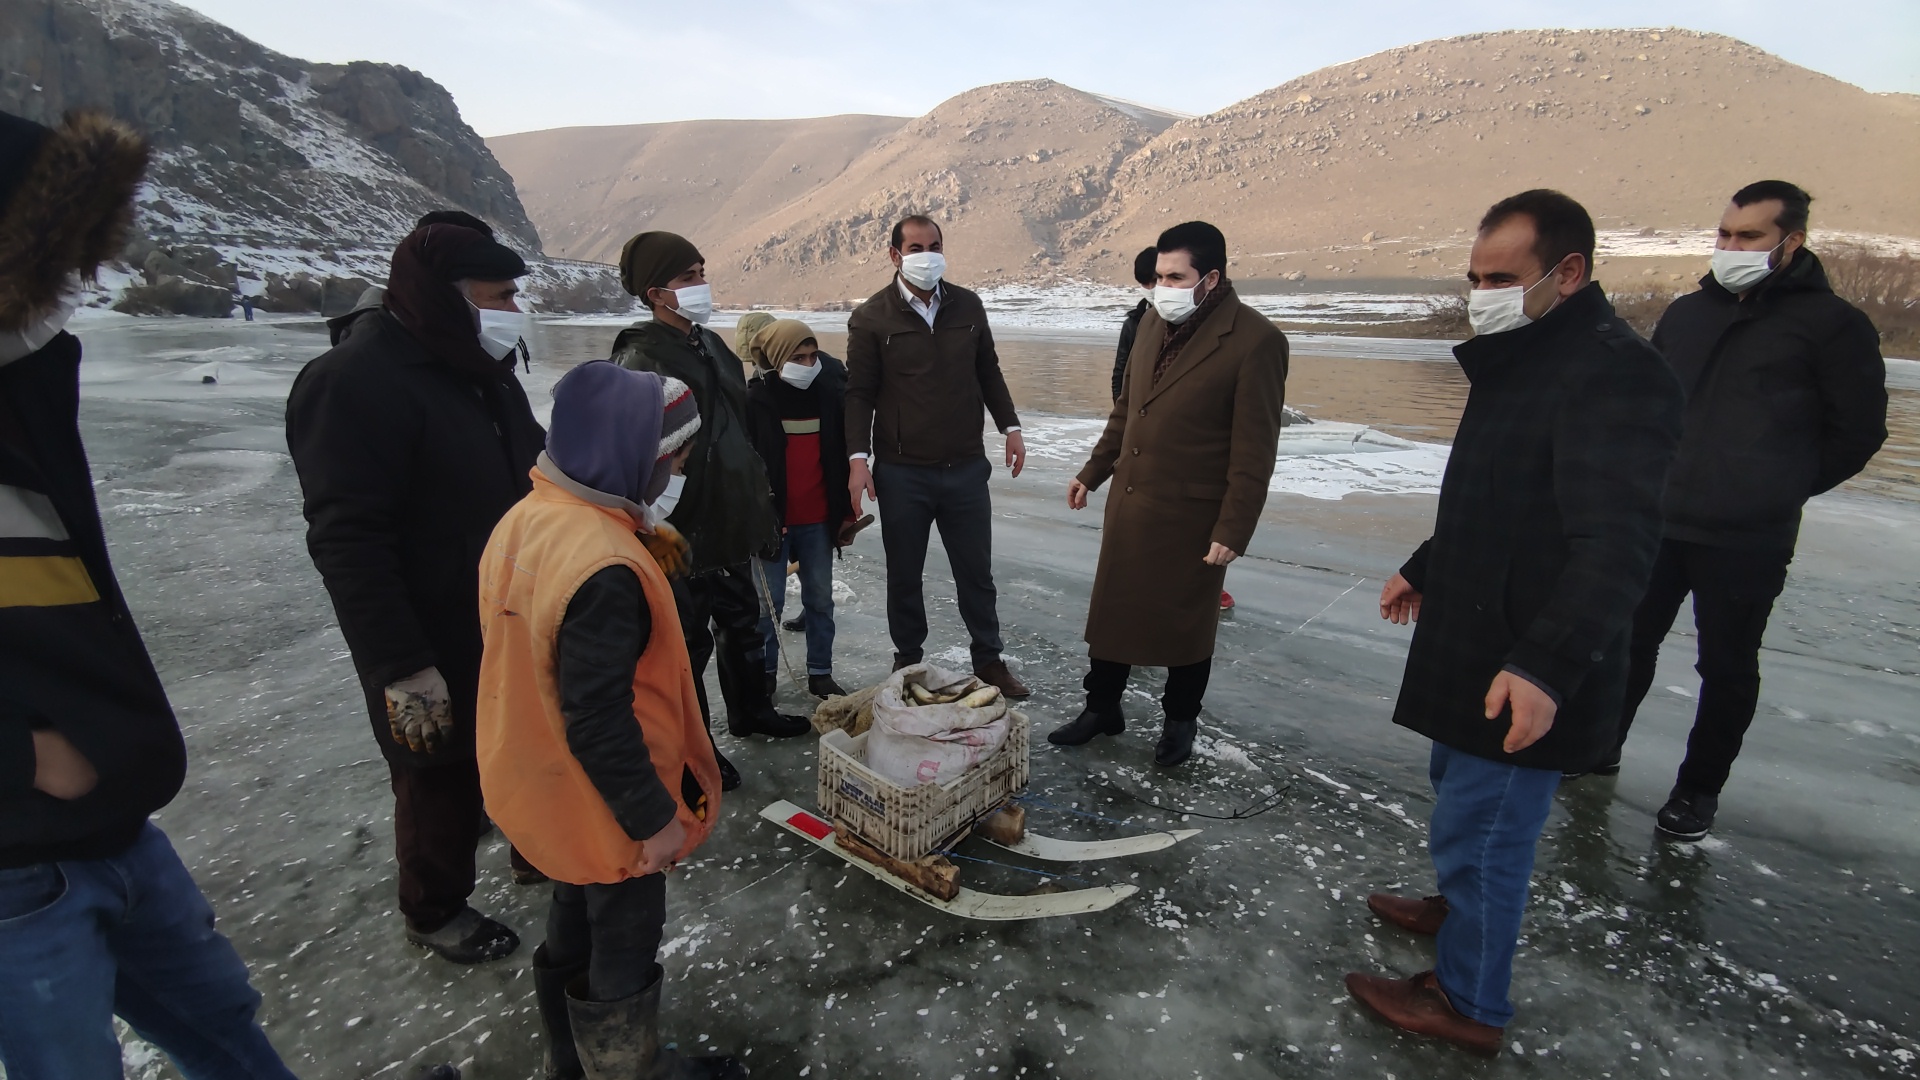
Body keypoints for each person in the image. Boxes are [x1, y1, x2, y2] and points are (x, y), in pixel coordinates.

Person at [1348, 190, 1684, 1054]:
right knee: (1460, 802)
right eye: (1474, 276)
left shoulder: (1615, 371)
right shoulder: (1524, 355)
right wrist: (1423, 566)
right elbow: (1498, 501)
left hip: (1522, 651)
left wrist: (1546, 665)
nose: (1481, 292)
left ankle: (1469, 1003)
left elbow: (1617, 542)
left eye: (1502, 277)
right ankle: (1455, 909)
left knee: (1490, 834)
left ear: (1568, 273)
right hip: (1475, 625)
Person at [0, 108, 297, 1079]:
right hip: (20, 866)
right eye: (58, 255)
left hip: (120, 827)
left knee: (224, 1022)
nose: (76, 286)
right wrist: (19, 756)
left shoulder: (24, 395)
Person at [286, 217, 545, 964]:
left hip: (504, 611)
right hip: (427, 629)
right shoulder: (353, 382)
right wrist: (402, 663)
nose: (515, 312)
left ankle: (534, 846)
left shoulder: (476, 368)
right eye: (501, 296)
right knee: (437, 773)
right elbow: (347, 541)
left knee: (522, 744)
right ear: (450, 296)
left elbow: (530, 468)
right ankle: (434, 908)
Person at [477, 361, 744, 1080]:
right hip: (611, 798)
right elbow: (598, 715)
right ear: (638, 454)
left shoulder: (529, 519)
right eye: (676, 456)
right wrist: (652, 818)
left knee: (572, 914)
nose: (679, 470)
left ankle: (570, 1061)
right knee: (623, 939)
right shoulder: (604, 564)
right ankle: (626, 1067)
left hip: (548, 783)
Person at [1599, 180, 1888, 840]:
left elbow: (1859, 432)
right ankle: (1599, 744)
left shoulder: (1833, 327)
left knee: (1726, 667)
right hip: (1662, 521)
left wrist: (1777, 486)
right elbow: (1648, 402)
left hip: (1748, 536)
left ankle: (1697, 791)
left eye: (1749, 237)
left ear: (1792, 243)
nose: (1731, 247)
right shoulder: (1686, 314)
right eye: (1725, 235)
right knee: (1625, 643)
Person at [1052, 222, 1288, 767]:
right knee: (1113, 611)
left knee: (1187, 624)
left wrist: (1234, 527)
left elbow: (1255, 451)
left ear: (1210, 278)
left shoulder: (1256, 341)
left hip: (1193, 515)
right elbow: (1128, 410)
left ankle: (1180, 723)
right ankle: (1102, 708)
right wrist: (1093, 471)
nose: (1163, 287)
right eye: (1159, 277)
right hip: (1132, 503)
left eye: (1175, 276)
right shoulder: (1153, 324)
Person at [611, 232, 810, 780]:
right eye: (688, 278)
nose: (702, 285)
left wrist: (759, 506)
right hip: (678, 524)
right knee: (687, 641)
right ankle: (694, 748)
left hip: (729, 517)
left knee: (743, 623)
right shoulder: (640, 356)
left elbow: (739, 433)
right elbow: (636, 451)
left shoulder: (713, 346)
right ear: (656, 293)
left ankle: (751, 711)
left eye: (702, 272)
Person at [844, 215, 1030, 697]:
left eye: (934, 245)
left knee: (976, 571)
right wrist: (857, 460)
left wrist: (1010, 427)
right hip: (904, 471)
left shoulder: (967, 305)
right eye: (915, 246)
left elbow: (988, 371)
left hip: (965, 467)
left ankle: (988, 659)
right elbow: (859, 394)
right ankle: (907, 661)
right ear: (895, 254)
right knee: (904, 573)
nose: (926, 254)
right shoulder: (871, 317)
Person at [746, 320, 857, 700]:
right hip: (772, 523)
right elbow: (746, 469)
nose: (808, 364)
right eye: (797, 357)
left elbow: (839, 461)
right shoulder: (755, 401)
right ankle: (764, 676)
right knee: (768, 606)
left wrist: (845, 515)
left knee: (820, 600)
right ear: (776, 359)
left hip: (817, 521)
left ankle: (820, 673)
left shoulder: (828, 396)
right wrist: (758, 518)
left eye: (812, 356)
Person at [1109, 246, 1158, 401]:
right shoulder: (1132, 324)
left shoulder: (1185, 319)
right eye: (1145, 284)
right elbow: (1120, 372)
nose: (1150, 289)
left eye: (1155, 281)